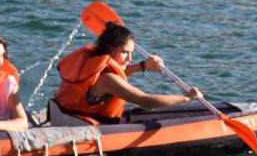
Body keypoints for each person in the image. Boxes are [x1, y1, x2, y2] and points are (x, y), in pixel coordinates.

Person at [52, 21, 200, 123]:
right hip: (83, 125)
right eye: (125, 52)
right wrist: (186, 98)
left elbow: (112, 77)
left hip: (67, 115)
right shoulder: (107, 80)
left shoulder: (92, 60)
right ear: (110, 49)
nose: (129, 58)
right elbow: (145, 100)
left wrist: (143, 66)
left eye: (131, 53)